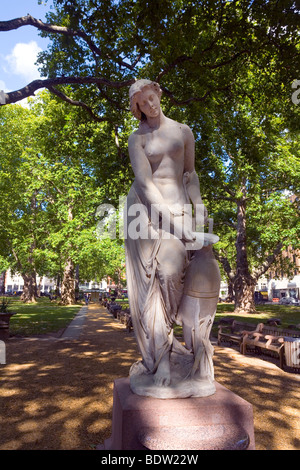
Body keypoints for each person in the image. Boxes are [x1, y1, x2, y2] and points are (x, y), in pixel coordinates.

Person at [125, 79, 214, 397]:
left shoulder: (184, 132)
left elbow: (190, 175)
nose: (150, 105)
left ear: (158, 93)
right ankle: (162, 360)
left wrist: (199, 208)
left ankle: (182, 349)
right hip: (147, 217)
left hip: (179, 214)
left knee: (172, 273)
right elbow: (145, 184)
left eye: (152, 97)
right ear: (137, 108)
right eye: (142, 103)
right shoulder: (137, 139)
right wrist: (174, 223)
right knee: (159, 277)